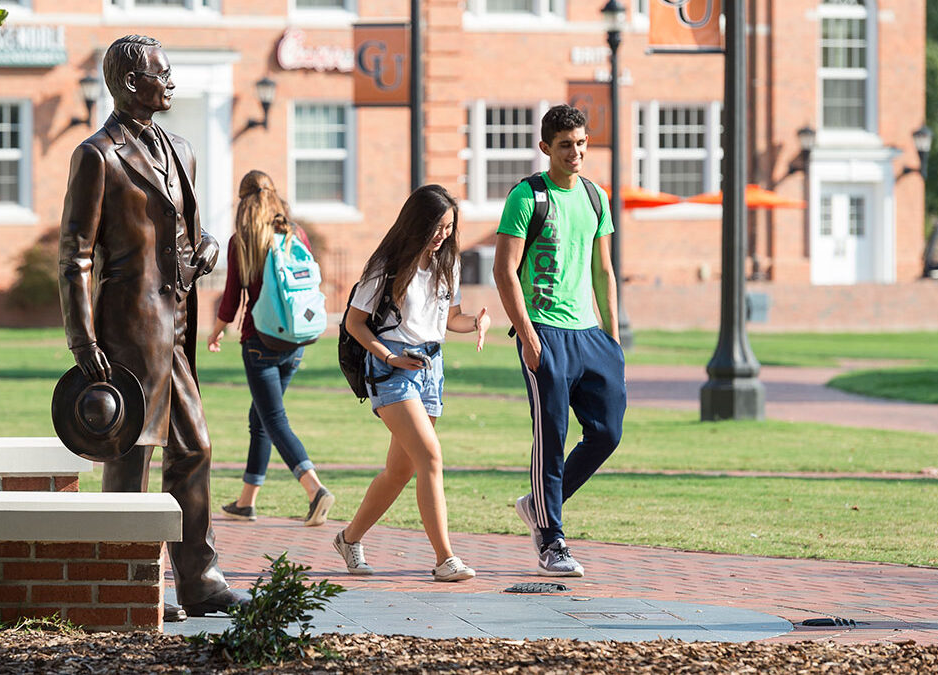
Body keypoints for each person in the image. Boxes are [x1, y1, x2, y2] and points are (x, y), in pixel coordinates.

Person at [57, 34, 247, 620]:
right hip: (123, 333)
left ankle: (198, 579)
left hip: (177, 333)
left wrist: (207, 248)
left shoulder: (182, 149)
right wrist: (82, 338)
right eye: (161, 74)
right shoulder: (98, 155)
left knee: (195, 448)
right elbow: (75, 255)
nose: (171, 83)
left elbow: (190, 232)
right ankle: (124, 580)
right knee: (130, 455)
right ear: (129, 83)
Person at [493, 104, 627, 577]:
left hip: (590, 336)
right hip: (544, 332)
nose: (576, 152)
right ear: (546, 147)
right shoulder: (527, 197)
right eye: (566, 144)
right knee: (551, 438)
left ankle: (539, 505)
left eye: (582, 143)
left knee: (608, 432)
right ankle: (552, 540)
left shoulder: (596, 197)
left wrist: (612, 338)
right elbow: (504, 271)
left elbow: (603, 270)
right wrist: (528, 336)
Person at [333, 184, 490, 583]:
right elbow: (354, 323)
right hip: (391, 369)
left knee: (399, 471)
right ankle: (445, 559)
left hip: (431, 370)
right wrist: (388, 357)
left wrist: (476, 321)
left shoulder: (447, 262)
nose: (442, 236)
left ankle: (349, 539)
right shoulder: (386, 265)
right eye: (437, 227)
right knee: (431, 458)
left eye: (449, 228)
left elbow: (448, 318)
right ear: (417, 223)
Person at [207, 170, 335, 526]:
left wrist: (216, 331)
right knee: (260, 418)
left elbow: (232, 298)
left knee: (274, 419)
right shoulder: (296, 234)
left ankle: (314, 489)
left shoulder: (243, 240)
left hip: (260, 340)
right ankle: (246, 502)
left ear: (243, 200)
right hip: (296, 339)